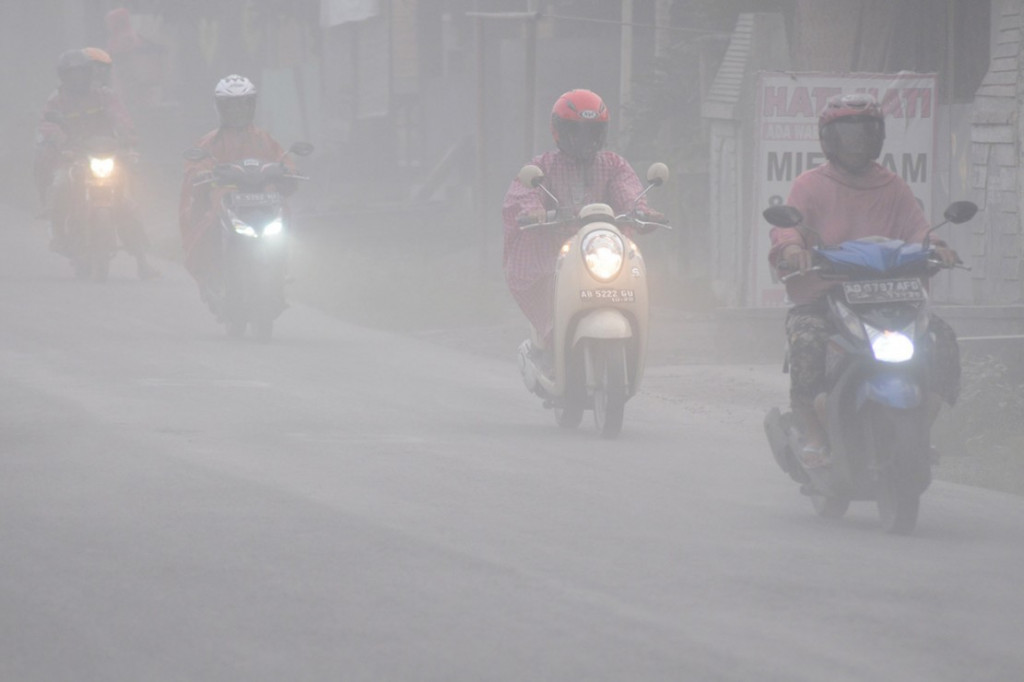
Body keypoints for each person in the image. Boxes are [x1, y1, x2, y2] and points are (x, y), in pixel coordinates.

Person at [768, 93, 960, 468]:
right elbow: (787, 231)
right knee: (807, 341)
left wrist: (938, 246)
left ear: (879, 137)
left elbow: (917, 229)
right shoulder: (809, 185)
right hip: (827, 296)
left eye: (864, 133)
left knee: (943, 340)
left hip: (891, 299)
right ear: (828, 139)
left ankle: (922, 430)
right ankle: (814, 434)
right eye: (846, 134)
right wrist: (792, 250)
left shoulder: (892, 186)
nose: (856, 143)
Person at [502, 89, 663, 364]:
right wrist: (535, 212)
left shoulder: (613, 165)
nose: (585, 140)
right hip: (553, 253)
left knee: (636, 273)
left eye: (592, 132)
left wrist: (641, 211)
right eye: (576, 132)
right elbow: (522, 193)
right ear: (560, 132)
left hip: (603, 248)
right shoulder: (543, 166)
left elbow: (627, 190)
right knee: (538, 281)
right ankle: (549, 337)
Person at [34, 47, 158, 278]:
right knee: (61, 184)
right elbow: (46, 125)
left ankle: (142, 260)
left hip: (105, 153)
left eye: (81, 73)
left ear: (88, 73)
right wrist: (62, 142)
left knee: (127, 202)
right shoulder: (57, 100)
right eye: (71, 74)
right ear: (63, 76)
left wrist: (128, 137)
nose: (76, 78)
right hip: (72, 155)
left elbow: (120, 116)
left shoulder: (104, 95)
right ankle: (59, 232)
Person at [179, 74, 294, 308]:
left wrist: (288, 172)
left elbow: (283, 159)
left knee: (284, 215)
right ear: (220, 108)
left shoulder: (264, 139)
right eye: (230, 106)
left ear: (252, 106)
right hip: (226, 199)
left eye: (243, 104)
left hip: (263, 199)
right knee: (208, 223)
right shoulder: (210, 142)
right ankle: (212, 272)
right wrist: (201, 175)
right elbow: (196, 167)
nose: (237, 111)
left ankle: (279, 269)